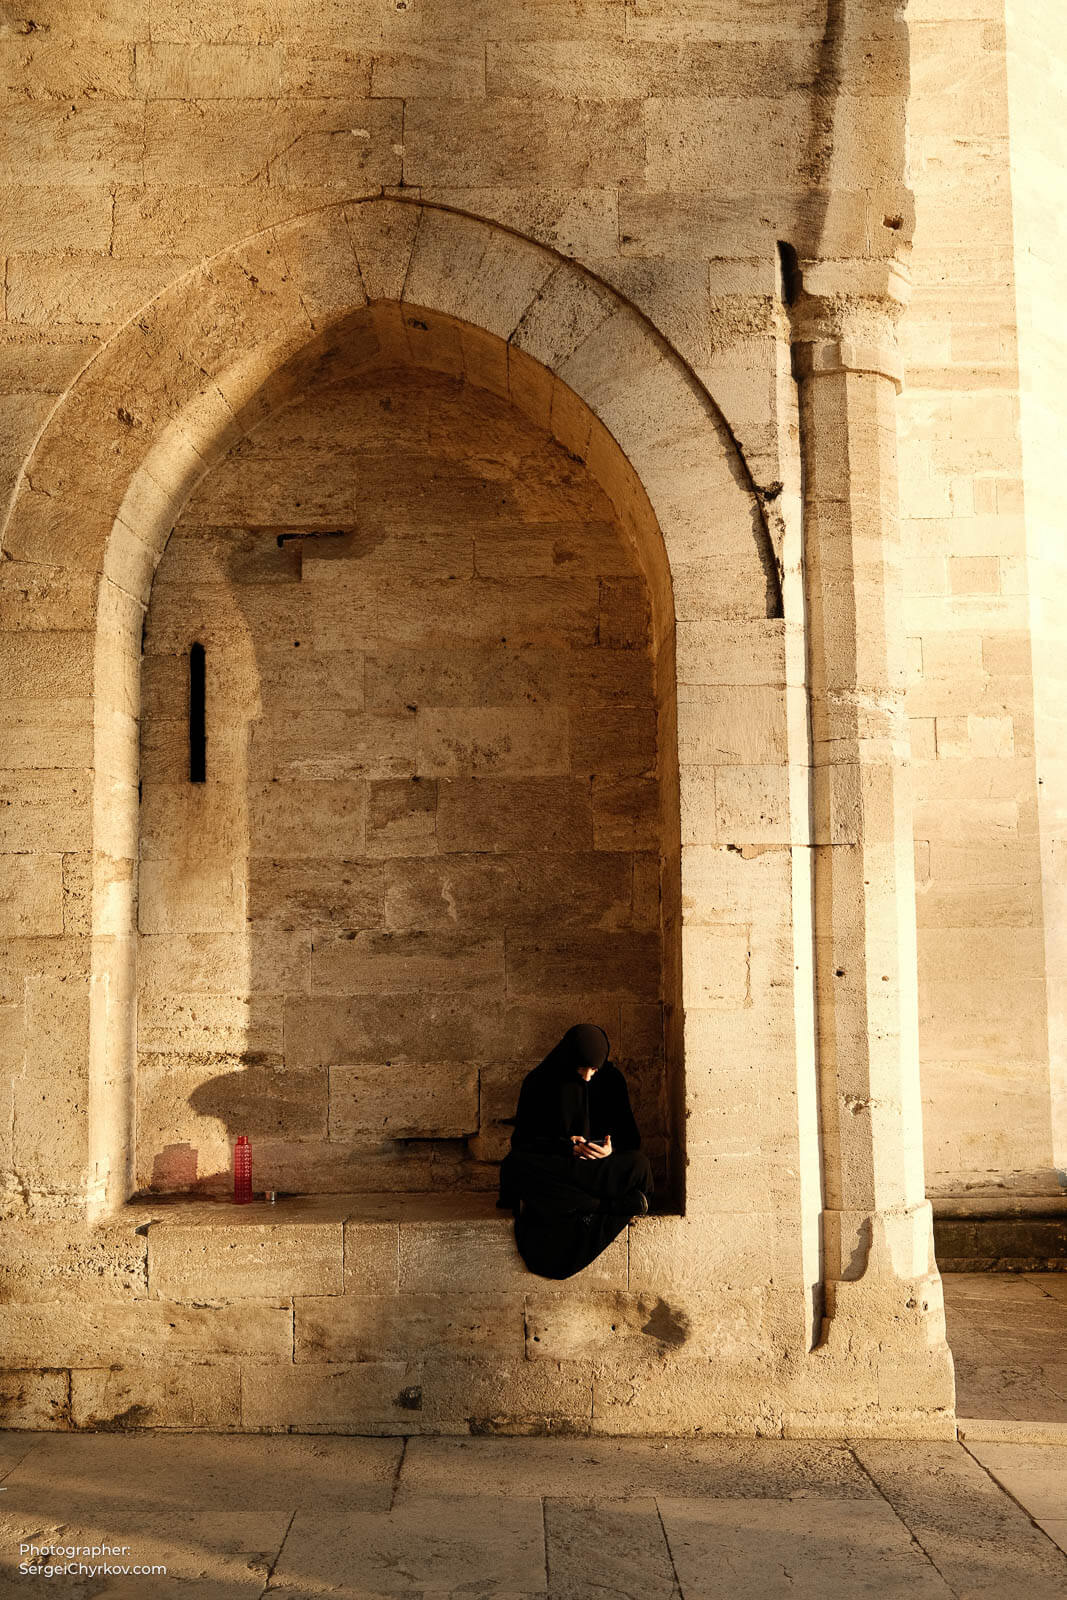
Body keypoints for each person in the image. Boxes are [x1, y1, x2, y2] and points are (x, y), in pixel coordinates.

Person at [497, 1023, 653, 1280]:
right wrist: (567, 1146)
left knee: (639, 1165)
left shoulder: (611, 1080)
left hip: (595, 1171)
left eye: (594, 1069)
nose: (588, 1076)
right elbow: (523, 1142)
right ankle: (608, 1206)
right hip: (561, 1167)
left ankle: (585, 1204)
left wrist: (608, 1151)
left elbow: (630, 1141)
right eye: (582, 1068)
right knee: (516, 1166)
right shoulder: (539, 1082)